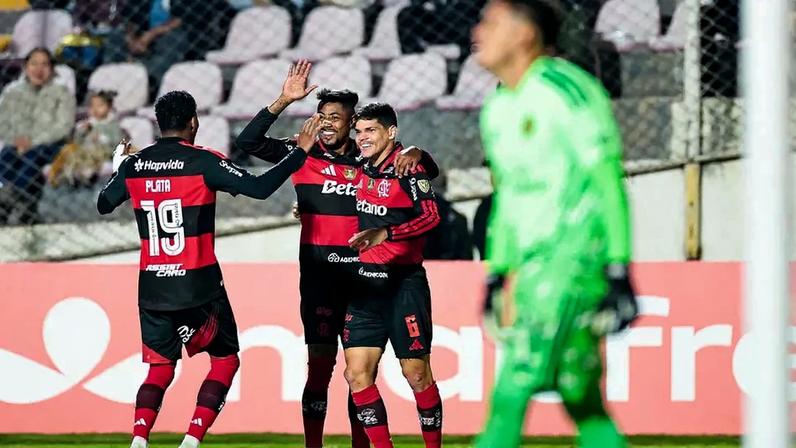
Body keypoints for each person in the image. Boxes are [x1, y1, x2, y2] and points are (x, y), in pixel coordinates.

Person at [234, 60, 438, 448]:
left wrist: (417, 149)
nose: (326, 123)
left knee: (360, 373)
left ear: (351, 123)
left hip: (363, 278)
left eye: (335, 117)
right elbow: (247, 143)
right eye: (321, 115)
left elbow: (421, 172)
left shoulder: (365, 159)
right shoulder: (301, 151)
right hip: (320, 279)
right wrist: (282, 100)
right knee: (321, 369)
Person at [97, 90, 316, 448]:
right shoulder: (203, 161)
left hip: (152, 287)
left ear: (159, 123)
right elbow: (260, 188)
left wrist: (121, 165)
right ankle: (191, 440)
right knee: (225, 361)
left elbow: (104, 203)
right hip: (197, 285)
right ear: (194, 122)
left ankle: (138, 439)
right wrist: (299, 153)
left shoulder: (135, 166)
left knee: (160, 369)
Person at [472, 1, 639, 447]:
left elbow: (607, 181)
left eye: (492, 23)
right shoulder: (498, 109)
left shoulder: (568, 92)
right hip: (532, 267)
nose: (478, 31)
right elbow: (507, 197)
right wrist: (497, 271)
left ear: (525, 34)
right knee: (579, 395)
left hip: (574, 258)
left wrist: (618, 265)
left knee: (513, 385)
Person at [345, 103, 442, 448]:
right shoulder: (359, 166)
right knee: (357, 375)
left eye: (370, 131)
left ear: (391, 132)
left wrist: (387, 233)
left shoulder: (408, 168)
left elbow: (431, 217)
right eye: (359, 132)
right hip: (363, 285)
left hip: (403, 284)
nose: (362, 138)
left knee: (416, 373)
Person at [0, 47, 76, 224]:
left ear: (52, 69)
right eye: (34, 63)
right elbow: (2, 122)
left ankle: (14, 203)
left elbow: (64, 127)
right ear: (25, 67)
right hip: (16, 142)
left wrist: (32, 142)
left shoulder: (61, 91)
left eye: (44, 64)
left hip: (50, 143)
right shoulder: (12, 91)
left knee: (31, 158)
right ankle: (13, 204)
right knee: (5, 158)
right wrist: (16, 140)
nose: (39, 69)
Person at [50, 90, 123, 187]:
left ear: (109, 108)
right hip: (84, 150)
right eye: (92, 106)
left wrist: (101, 138)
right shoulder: (88, 123)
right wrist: (82, 131)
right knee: (72, 152)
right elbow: (77, 141)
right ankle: (70, 173)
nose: (95, 109)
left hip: (102, 151)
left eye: (100, 106)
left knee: (95, 154)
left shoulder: (112, 125)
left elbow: (117, 142)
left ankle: (87, 172)